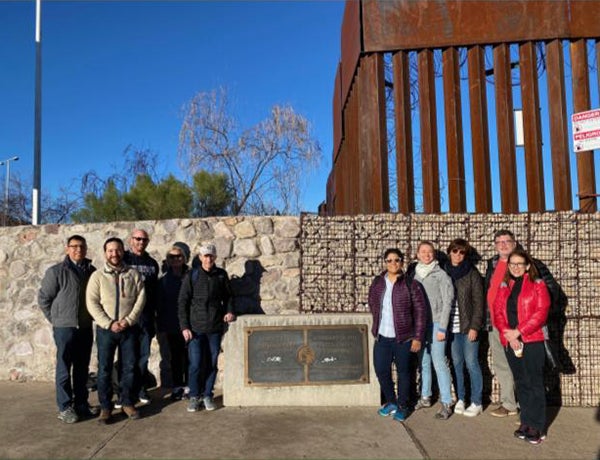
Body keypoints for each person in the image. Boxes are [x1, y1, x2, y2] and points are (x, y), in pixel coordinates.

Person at [38, 235, 98, 423]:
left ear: (86, 249)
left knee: (81, 369)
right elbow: (44, 299)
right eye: (74, 246)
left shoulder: (92, 271)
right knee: (64, 368)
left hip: (85, 327)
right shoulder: (56, 271)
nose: (78, 249)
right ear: (67, 249)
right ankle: (65, 407)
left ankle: (81, 404)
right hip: (64, 328)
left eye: (81, 246)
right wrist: (56, 320)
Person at [493, 248, 550, 445]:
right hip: (511, 341)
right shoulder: (504, 286)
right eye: (512, 264)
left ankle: (538, 426)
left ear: (527, 266)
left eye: (520, 264)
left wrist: (519, 332)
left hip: (532, 340)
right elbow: (497, 312)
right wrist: (508, 335)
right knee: (521, 382)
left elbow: (541, 312)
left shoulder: (538, 285)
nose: (516, 267)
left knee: (534, 382)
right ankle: (526, 421)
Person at [86, 237, 146, 424]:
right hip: (106, 330)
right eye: (110, 250)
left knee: (129, 367)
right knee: (104, 369)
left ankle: (127, 402)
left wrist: (128, 320)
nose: (114, 253)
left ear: (123, 251)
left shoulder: (133, 274)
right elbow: (92, 302)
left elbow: (141, 298)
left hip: (129, 329)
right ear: (105, 253)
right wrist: (109, 323)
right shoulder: (97, 276)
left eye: (118, 250)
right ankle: (105, 407)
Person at [368, 248, 427, 423]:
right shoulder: (378, 282)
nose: (393, 263)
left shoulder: (411, 284)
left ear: (402, 262)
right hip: (382, 337)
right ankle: (391, 402)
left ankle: (403, 405)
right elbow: (372, 301)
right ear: (385, 263)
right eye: (389, 260)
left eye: (397, 260)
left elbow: (420, 312)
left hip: (404, 338)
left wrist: (417, 337)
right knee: (381, 370)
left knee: (404, 373)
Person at [178, 242, 235, 412]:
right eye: (205, 255)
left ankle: (208, 395)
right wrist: (184, 327)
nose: (208, 259)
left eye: (211, 255)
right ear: (200, 257)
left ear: (215, 257)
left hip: (215, 329)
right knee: (195, 364)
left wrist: (230, 311)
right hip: (195, 329)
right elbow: (183, 302)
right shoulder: (192, 276)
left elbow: (229, 297)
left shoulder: (221, 275)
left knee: (211, 364)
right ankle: (194, 396)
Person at [407, 241, 455, 420]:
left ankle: (446, 401)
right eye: (423, 251)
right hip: (420, 326)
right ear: (417, 254)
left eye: (430, 252)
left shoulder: (441, 275)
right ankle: (425, 396)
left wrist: (443, 327)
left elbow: (447, 302)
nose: (427, 255)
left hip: (436, 325)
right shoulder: (413, 275)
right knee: (424, 362)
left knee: (439, 361)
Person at [443, 239, 485, 417]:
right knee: (457, 364)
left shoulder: (472, 274)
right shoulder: (443, 272)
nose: (458, 255)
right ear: (449, 252)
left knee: (472, 363)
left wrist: (475, 326)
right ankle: (461, 398)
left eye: (462, 252)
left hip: (468, 328)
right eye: (455, 251)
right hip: (450, 328)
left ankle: (476, 401)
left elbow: (479, 302)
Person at [124, 228, 160, 404]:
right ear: (131, 240)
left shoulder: (152, 263)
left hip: (145, 318)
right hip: (127, 318)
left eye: (144, 240)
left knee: (143, 357)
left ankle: (141, 389)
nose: (141, 242)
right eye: (138, 239)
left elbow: (153, 293)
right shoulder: (123, 259)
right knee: (126, 358)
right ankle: (125, 392)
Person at [157, 242, 190, 400]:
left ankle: (190, 386)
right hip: (171, 325)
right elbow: (160, 305)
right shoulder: (163, 280)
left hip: (190, 324)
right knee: (175, 358)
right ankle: (178, 387)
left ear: (184, 258)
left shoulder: (191, 276)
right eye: (172, 256)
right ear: (167, 260)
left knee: (191, 357)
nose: (176, 259)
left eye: (179, 256)